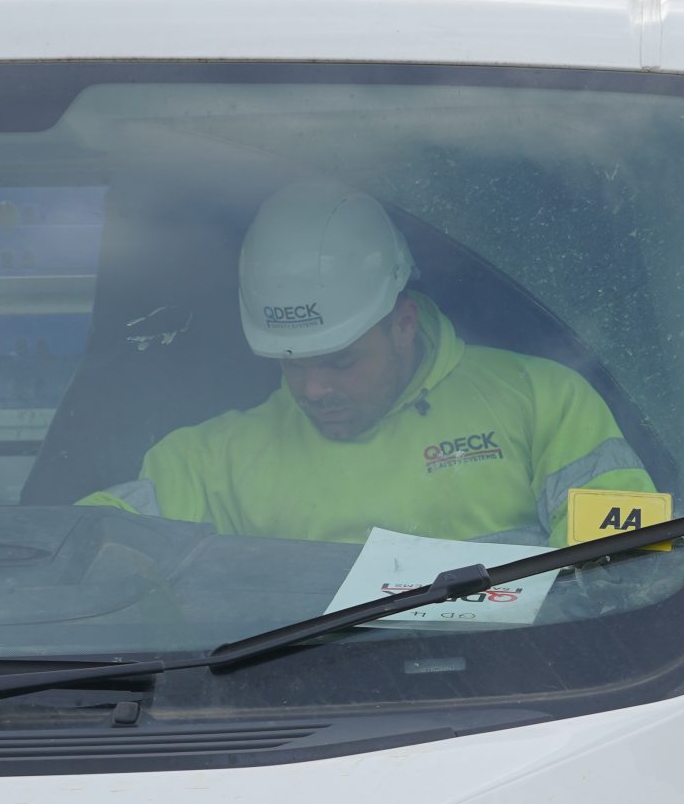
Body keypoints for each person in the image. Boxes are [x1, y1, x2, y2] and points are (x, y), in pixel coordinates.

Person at [83, 178, 651, 545]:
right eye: (290, 364)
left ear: (403, 323)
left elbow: (627, 563)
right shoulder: (212, 461)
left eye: (339, 361)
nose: (312, 389)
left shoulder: (543, 401)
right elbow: (90, 542)